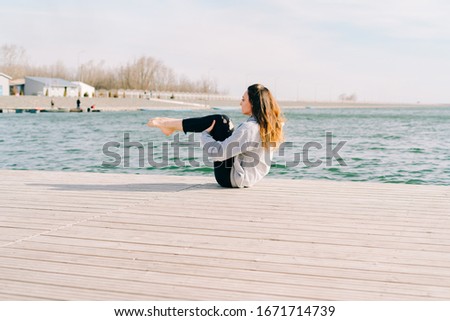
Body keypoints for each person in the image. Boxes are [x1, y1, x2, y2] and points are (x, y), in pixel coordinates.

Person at [147, 84, 285, 188]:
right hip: (247, 177)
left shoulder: (250, 128)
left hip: (230, 179)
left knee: (221, 121)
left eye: (243, 99)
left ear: (253, 104)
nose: (240, 102)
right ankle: (170, 125)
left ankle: (168, 124)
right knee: (226, 123)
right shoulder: (268, 125)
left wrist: (205, 134)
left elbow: (218, 154)